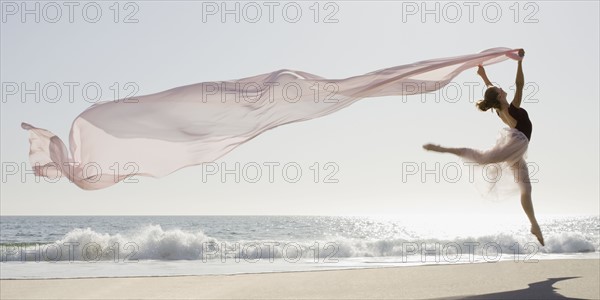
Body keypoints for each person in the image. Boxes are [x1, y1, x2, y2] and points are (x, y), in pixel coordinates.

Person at [422, 49, 544, 246]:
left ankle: (534, 224)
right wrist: (519, 62)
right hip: (517, 144)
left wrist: (483, 75)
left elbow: (490, 88)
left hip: (516, 149)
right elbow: (520, 85)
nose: (502, 89)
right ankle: (443, 148)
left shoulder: (498, 107)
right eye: (500, 90)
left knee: (526, 188)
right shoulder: (510, 108)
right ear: (499, 97)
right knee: (483, 158)